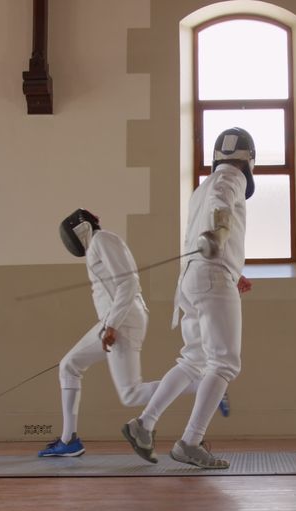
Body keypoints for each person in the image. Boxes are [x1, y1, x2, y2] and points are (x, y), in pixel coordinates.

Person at [122, 127, 255, 469]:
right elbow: (221, 207)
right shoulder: (231, 177)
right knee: (224, 363)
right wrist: (218, 233)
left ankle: (144, 424)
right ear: (247, 160)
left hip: (193, 278)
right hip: (211, 276)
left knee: (193, 359)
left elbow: (210, 219)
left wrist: (230, 267)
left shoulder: (201, 187)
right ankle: (190, 442)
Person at [37, 209, 158, 457]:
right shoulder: (97, 246)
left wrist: (112, 324)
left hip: (122, 320)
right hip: (115, 320)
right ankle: (69, 439)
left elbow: (128, 283)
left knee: (131, 393)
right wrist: (109, 323)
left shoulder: (103, 240)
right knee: (69, 365)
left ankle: (203, 386)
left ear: (79, 228)